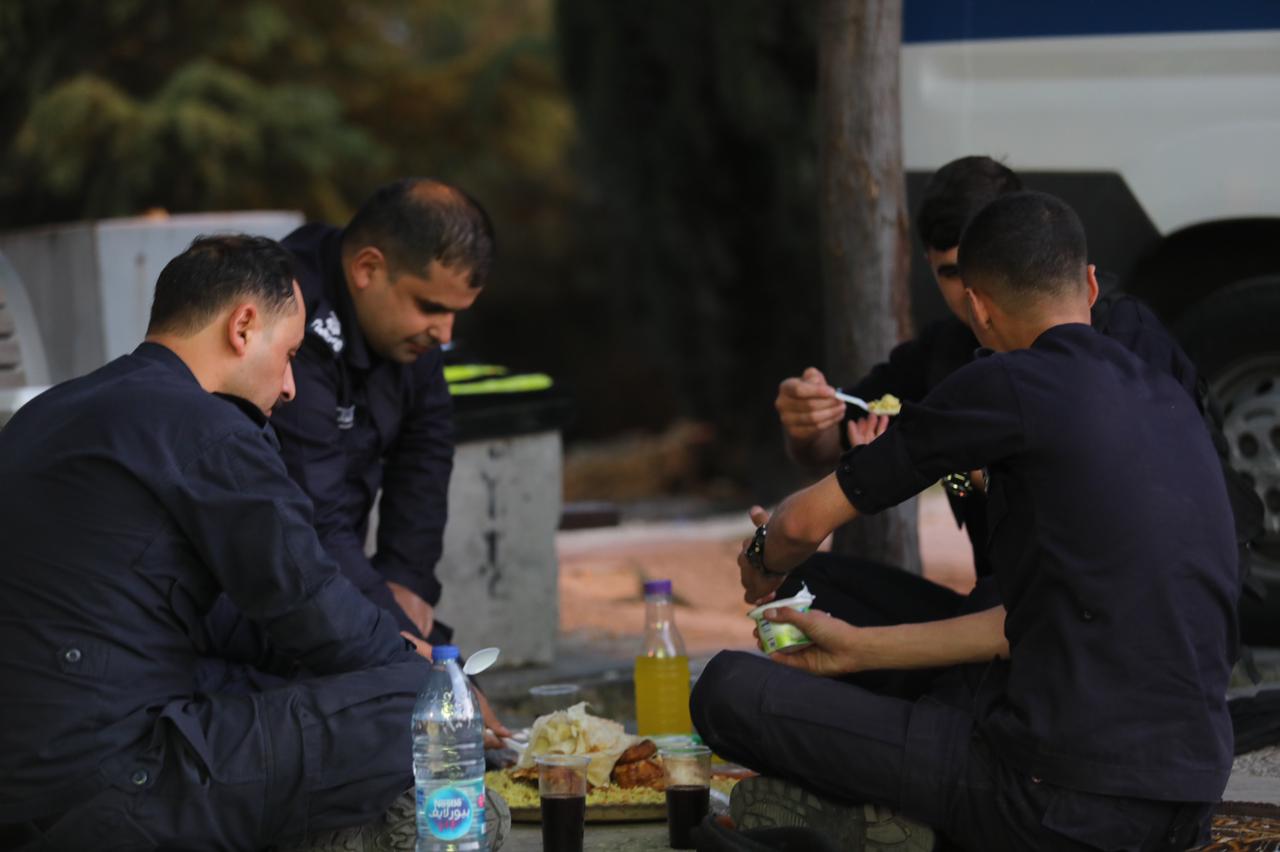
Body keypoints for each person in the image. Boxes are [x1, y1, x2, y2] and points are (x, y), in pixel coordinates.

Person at [692, 192, 1237, 851]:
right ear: (1090, 285)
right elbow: (1026, 622)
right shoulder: (1167, 396)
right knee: (867, 620)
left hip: (1051, 799)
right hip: (1187, 800)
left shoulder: (1007, 381)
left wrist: (761, 557)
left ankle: (900, 825)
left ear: (978, 306)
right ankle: (893, 816)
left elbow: (801, 525)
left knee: (727, 689)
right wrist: (861, 649)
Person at [0, 236, 434, 850]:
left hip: (24, 787)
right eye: (289, 355)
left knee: (281, 677)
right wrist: (424, 676)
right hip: (117, 784)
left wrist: (386, 648)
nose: (290, 386)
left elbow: (220, 619)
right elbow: (309, 603)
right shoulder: (207, 427)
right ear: (243, 326)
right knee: (415, 705)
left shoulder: (52, 411)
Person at [771, 156, 1261, 658]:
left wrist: (959, 469)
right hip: (1010, 610)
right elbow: (837, 439)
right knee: (807, 588)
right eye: (951, 273)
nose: (972, 296)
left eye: (982, 271)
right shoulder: (948, 353)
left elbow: (1145, 510)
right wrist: (808, 420)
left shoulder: (1121, 340)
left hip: (1112, 619)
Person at [272, 177, 495, 646]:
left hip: (331, 575)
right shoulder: (287, 314)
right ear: (368, 268)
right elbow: (313, 517)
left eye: (455, 313)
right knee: (418, 677)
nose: (445, 334)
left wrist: (406, 576)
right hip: (257, 592)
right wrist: (397, 633)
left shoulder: (408, 331)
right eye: (430, 307)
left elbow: (426, 450)